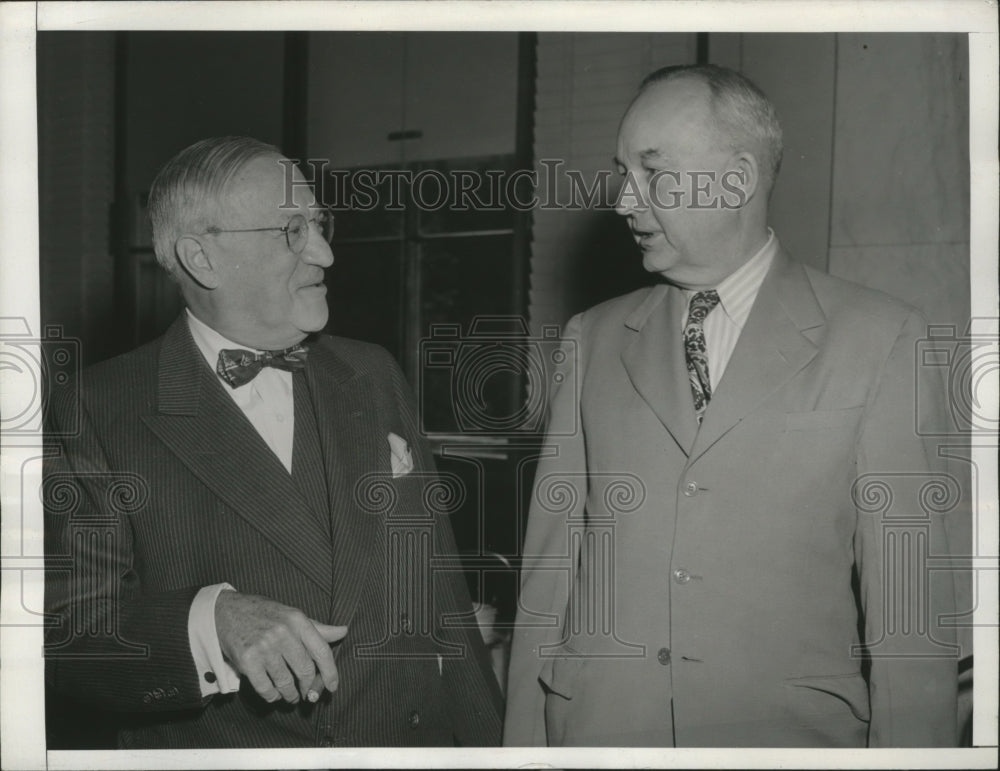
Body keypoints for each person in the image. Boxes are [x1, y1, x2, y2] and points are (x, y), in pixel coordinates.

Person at [504, 65, 961, 747]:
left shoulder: (880, 337)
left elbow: (910, 624)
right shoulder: (591, 339)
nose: (625, 200)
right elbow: (549, 584)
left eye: (652, 172)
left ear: (739, 179)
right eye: (622, 172)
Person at [44, 136, 503, 748]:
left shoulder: (373, 372)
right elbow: (66, 636)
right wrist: (211, 622)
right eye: (292, 230)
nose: (325, 253)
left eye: (318, 223)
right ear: (202, 259)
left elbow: (440, 591)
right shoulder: (99, 408)